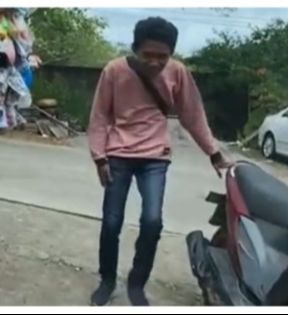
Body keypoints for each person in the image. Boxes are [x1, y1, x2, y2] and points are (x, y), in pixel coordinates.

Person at [87, 17, 232, 306]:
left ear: (172, 54)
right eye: (147, 55)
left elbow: (192, 114)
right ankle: (107, 279)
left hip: (155, 157)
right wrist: (99, 157)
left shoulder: (177, 72)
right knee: (111, 222)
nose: (154, 63)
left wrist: (213, 152)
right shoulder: (114, 70)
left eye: (162, 57)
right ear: (135, 49)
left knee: (152, 222)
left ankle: (137, 283)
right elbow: (100, 115)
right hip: (117, 155)